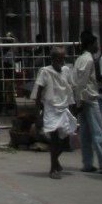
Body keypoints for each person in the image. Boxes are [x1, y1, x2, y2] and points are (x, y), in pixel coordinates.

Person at [33, 46, 78, 179]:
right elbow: (38, 94)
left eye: (63, 58)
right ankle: (53, 169)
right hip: (51, 109)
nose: (61, 61)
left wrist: (73, 108)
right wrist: (38, 115)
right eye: (59, 59)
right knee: (54, 140)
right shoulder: (45, 72)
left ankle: (56, 161)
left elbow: (70, 89)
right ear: (52, 59)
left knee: (65, 142)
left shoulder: (66, 70)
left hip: (64, 108)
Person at [72, 32, 102, 174]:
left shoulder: (80, 60)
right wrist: (79, 102)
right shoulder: (88, 60)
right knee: (98, 133)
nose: (97, 46)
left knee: (85, 134)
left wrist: (78, 101)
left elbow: (77, 82)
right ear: (90, 45)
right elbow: (81, 83)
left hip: (83, 100)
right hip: (89, 99)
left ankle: (87, 163)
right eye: (95, 43)